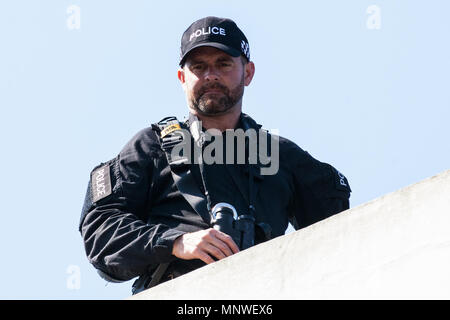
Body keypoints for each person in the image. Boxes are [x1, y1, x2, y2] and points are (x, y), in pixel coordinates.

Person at [79, 16, 351, 294]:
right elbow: (101, 232)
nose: (210, 75)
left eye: (223, 64)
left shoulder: (280, 156)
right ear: (182, 78)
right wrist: (176, 242)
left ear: (248, 73)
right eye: (199, 66)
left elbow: (340, 238)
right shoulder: (151, 146)